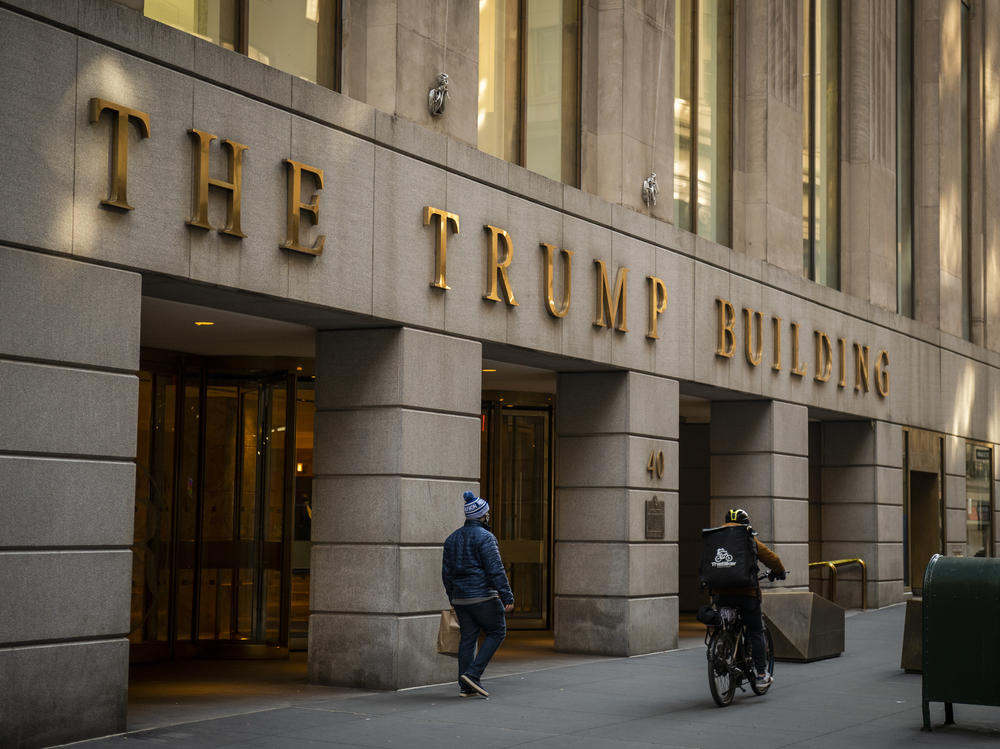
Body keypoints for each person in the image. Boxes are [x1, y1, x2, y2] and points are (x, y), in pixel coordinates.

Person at [441, 490, 514, 698]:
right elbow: (495, 569)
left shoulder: (451, 539)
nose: (489, 515)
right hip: (483, 596)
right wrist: (507, 595)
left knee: (468, 638)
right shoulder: (486, 537)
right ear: (483, 515)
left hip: (461, 598)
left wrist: (452, 597)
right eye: (487, 513)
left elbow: (446, 573)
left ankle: (465, 686)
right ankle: (473, 675)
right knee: (497, 631)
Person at [715, 508, 786, 685]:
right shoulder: (748, 538)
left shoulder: (716, 538)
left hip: (721, 594)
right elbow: (772, 559)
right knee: (755, 631)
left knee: (726, 625)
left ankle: (722, 649)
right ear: (745, 524)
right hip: (746, 594)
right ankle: (761, 674)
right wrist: (780, 571)